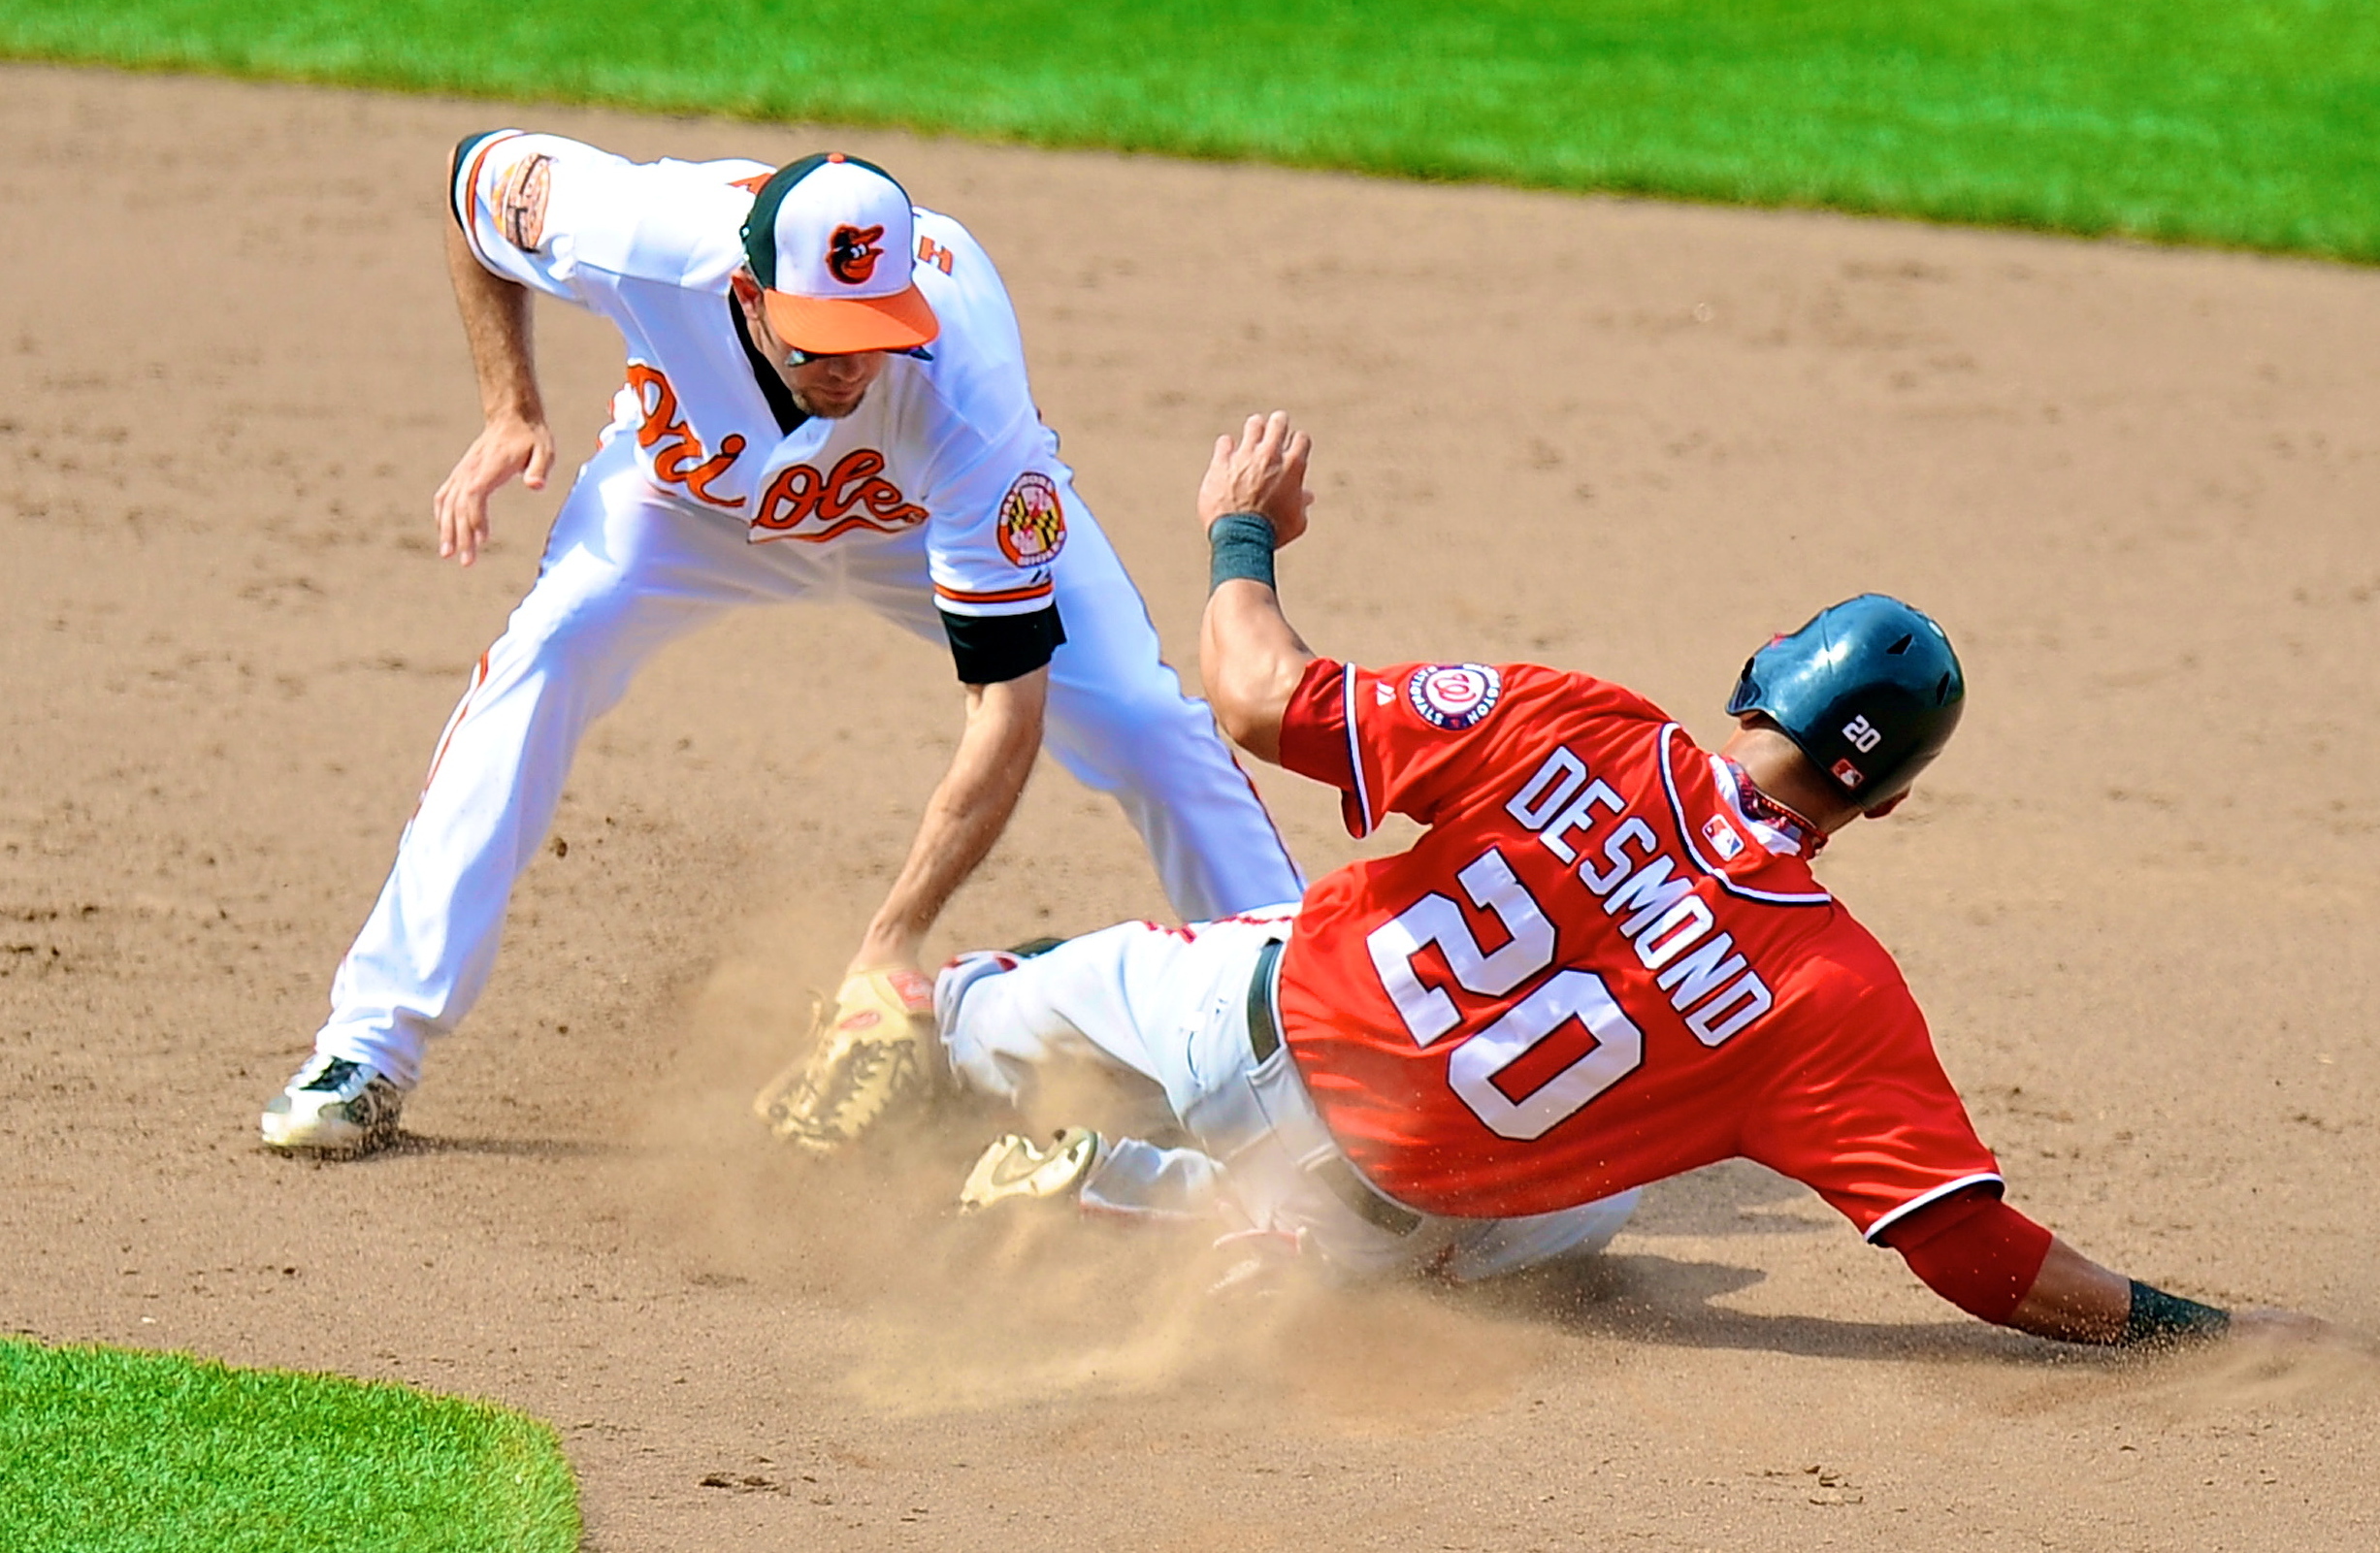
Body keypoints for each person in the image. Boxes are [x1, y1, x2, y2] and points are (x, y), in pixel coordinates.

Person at [925, 410, 2314, 1345]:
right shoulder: (1831, 994)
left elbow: (1258, 697)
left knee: (973, 1007)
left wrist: (1242, 532)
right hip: (1363, 1187)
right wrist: (2196, 1330)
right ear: (1884, 799)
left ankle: (949, 1030)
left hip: (1228, 1005)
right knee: (1591, 1197)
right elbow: (1975, 1255)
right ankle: (1176, 1208)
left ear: (1757, 677)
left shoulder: (1573, 718)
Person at [258, 136, 1300, 1155]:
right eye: (817, 338)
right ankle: (368, 1048)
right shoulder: (639, 237)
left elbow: (1007, 709)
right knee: (545, 653)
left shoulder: (965, 388)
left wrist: (887, 943)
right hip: (683, 507)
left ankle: (1314, 1027)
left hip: (917, 525)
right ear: (748, 296)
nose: (849, 365)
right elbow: (470, 188)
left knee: (1144, 725)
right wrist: (508, 404)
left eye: (871, 332)